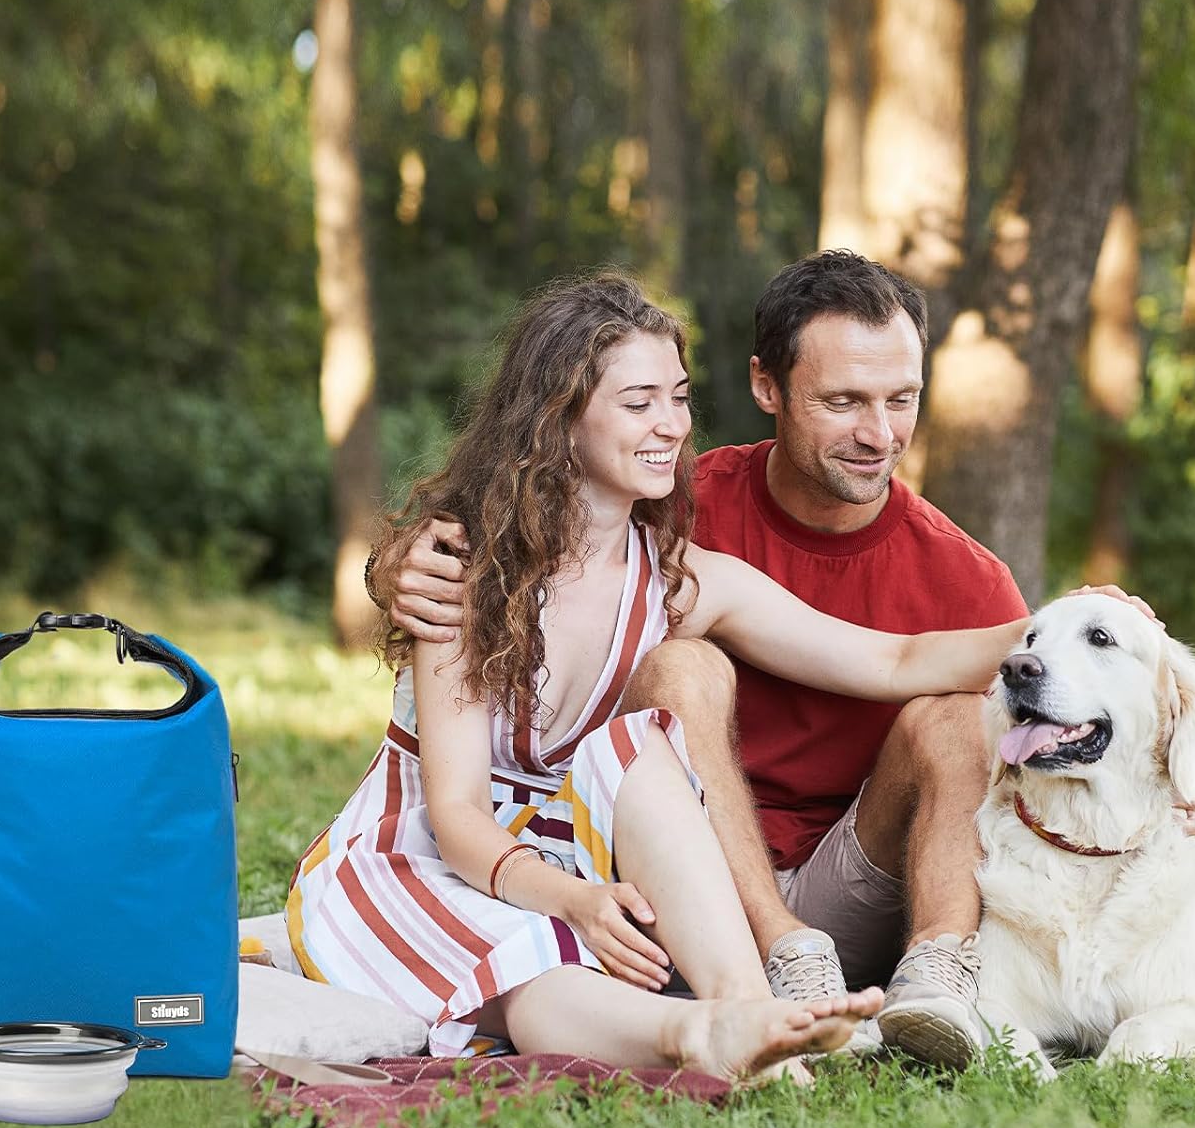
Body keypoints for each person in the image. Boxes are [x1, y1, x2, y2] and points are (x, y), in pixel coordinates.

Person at [379, 252, 1195, 1070]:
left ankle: (939, 984)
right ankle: (764, 972)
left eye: (901, 400)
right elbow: (531, 527)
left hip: (855, 897)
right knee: (683, 670)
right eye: (844, 400)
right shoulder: (672, 503)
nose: (879, 434)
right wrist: (400, 564)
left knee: (957, 712)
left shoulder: (965, 578)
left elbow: (922, 670)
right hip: (661, 876)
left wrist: (1115, 662)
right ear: (767, 387)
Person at [294, 271, 1035, 1084]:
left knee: (639, 744)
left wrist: (1091, 629)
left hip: (591, 850)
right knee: (537, 960)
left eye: (677, 399)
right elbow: (458, 811)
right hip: (448, 852)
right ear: (558, 415)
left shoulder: (678, 574)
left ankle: (752, 1010)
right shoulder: (470, 571)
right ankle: (699, 1034)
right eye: (639, 402)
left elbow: (893, 659)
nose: (670, 427)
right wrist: (391, 565)